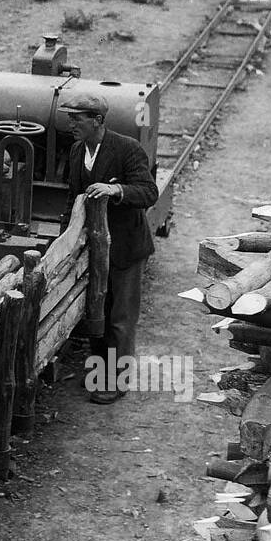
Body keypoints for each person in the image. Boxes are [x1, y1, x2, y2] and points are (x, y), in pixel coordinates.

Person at [62, 93, 159, 405]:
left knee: (120, 318)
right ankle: (99, 374)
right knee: (98, 313)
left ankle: (116, 381)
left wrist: (115, 189)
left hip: (126, 248)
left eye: (77, 118)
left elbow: (148, 191)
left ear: (98, 121)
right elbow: (74, 198)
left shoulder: (127, 148)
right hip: (96, 247)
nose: (71, 124)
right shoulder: (78, 151)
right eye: (70, 118)